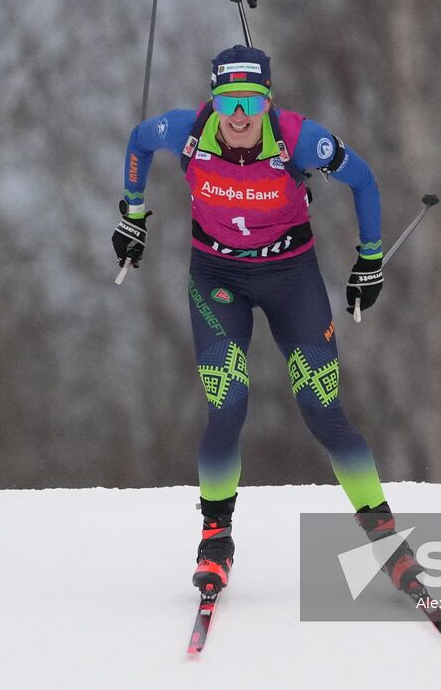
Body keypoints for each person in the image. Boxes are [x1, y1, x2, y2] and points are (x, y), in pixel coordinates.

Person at [112, 44, 424, 596]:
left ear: (267, 102)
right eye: (229, 99)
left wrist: (370, 260)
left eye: (251, 101)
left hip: (291, 279)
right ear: (213, 98)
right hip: (217, 278)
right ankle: (216, 539)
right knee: (227, 405)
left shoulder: (301, 140)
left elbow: (365, 181)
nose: (238, 114)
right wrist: (132, 216)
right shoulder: (185, 134)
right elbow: (139, 141)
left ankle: (385, 539)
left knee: (324, 411)